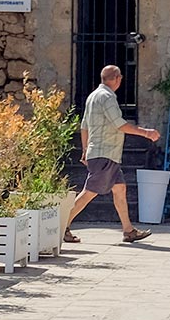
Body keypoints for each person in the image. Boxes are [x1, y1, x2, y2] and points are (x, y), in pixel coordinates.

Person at [61, 65, 160, 244]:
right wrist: (146, 133)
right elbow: (119, 124)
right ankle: (61, 226)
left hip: (103, 154)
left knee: (120, 189)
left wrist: (85, 150)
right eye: (120, 77)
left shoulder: (93, 97)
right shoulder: (107, 97)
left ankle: (129, 231)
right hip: (104, 154)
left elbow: (84, 126)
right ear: (116, 78)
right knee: (89, 192)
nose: (121, 80)